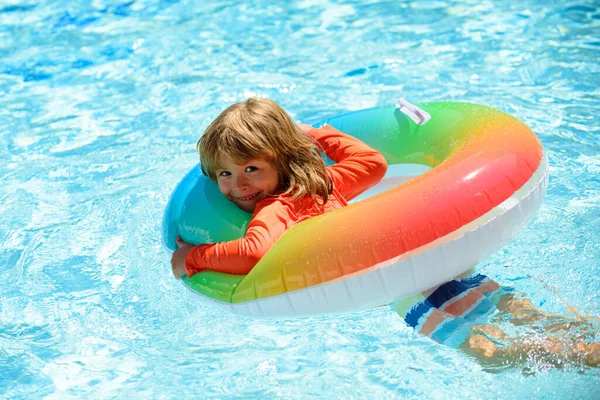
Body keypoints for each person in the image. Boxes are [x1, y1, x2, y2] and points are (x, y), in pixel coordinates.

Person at [170, 97, 387, 278]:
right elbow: (373, 163)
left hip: (350, 285)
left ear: (283, 162)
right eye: (225, 174)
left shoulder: (276, 208)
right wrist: (313, 132)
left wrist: (192, 257)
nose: (239, 186)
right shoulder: (321, 183)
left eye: (251, 169)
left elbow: (252, 255)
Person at [390, 272, 600, 369]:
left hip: (417, 298)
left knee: (491, 355)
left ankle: (584, 353)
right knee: (531, 320)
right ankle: (586, 343)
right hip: (454, 272)